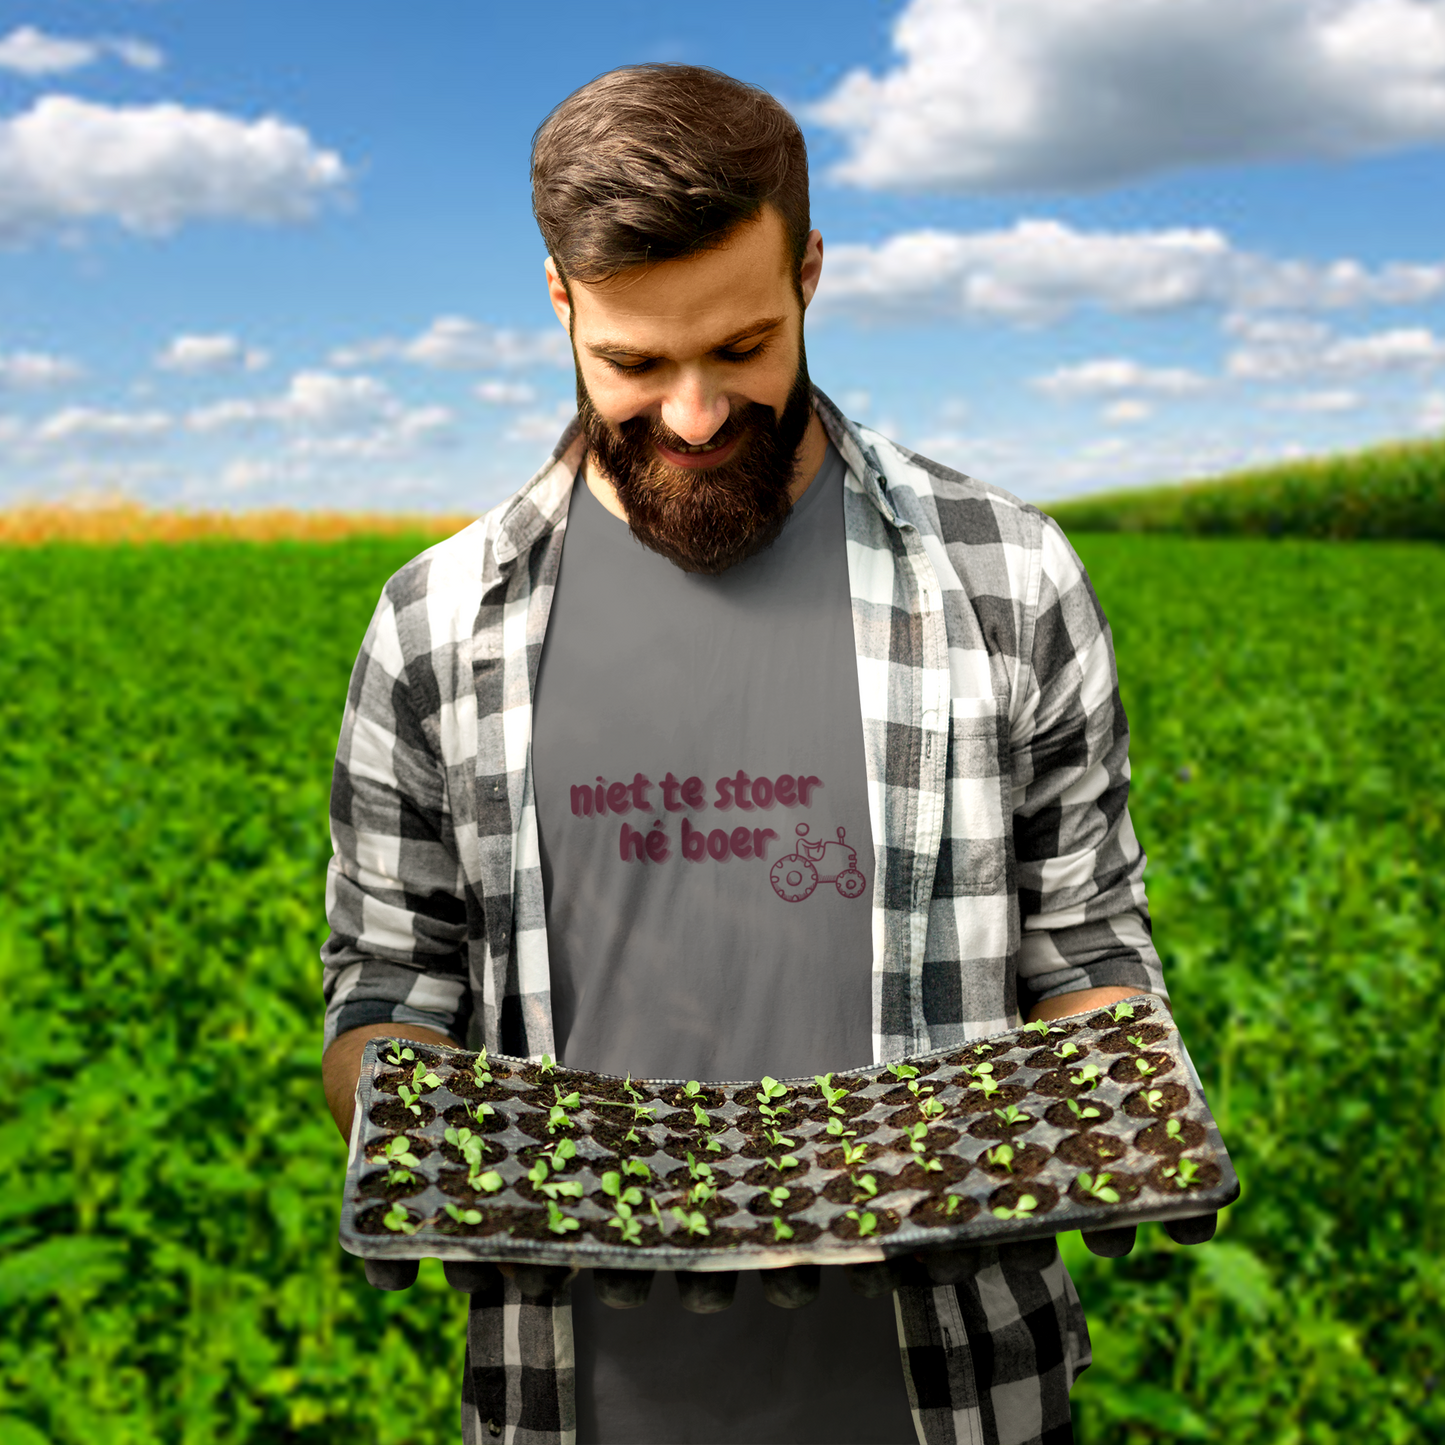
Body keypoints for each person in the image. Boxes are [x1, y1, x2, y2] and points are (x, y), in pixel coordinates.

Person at [320, 62, 1171, 1445]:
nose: (698, 414)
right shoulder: (435, 626)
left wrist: (1126, 1109)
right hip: (577, 1401)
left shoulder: (1006, 580)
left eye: (743, 346)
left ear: (812, 272)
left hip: (955, 1394)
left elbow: (1085, 949)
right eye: (636, 364)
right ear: (560, 303)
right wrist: (441, 1127)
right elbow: (386, 987)